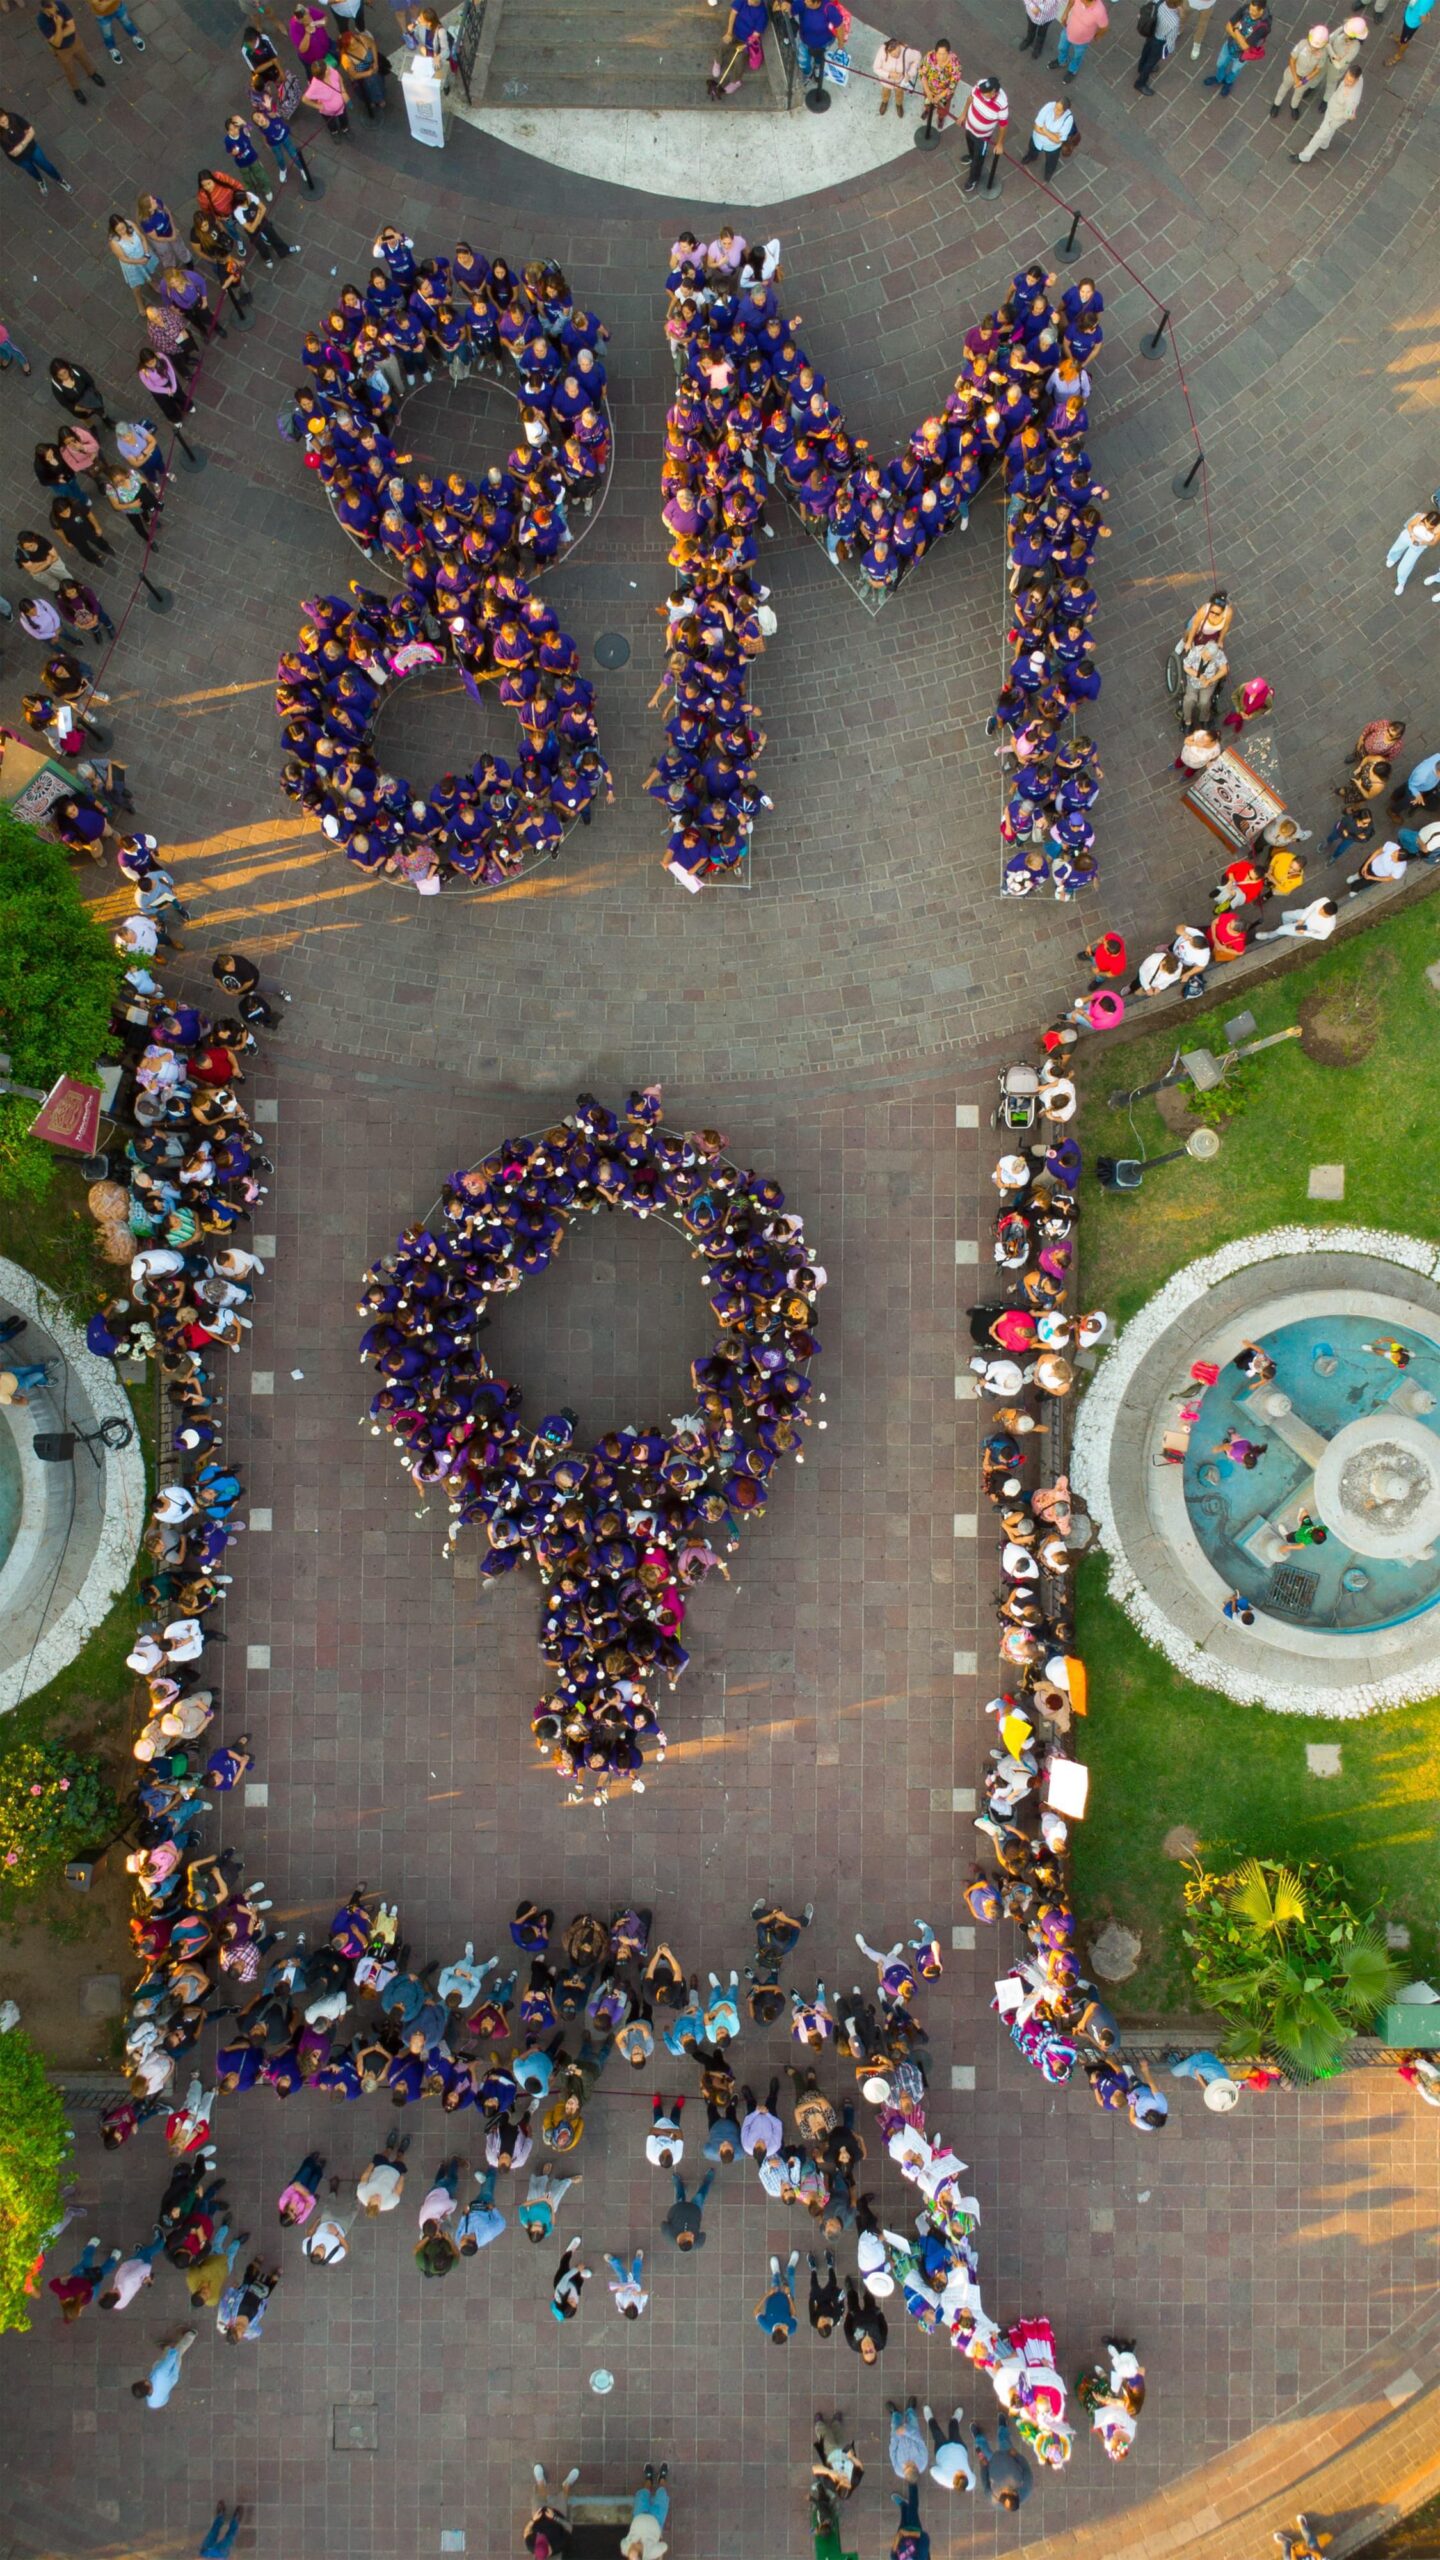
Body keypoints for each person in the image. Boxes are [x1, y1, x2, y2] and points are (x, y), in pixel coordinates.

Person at [37, 0, 107, 98]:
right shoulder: (41, 20)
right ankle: (75, 89)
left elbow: (72, 28)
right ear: (46, 9)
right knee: (69, 70)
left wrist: (59, 35)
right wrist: (58, 25)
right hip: (62, 50)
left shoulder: (60, 4)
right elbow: (57, 43)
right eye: (53, 8)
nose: (57, 8)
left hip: (75, 41)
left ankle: (92, 73)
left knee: (85, 59)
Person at [1, 108, 71, 192]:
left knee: (46, 166)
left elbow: (31, 131)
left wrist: (21, 145)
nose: (4, 122)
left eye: (4, 118)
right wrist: (26, 138)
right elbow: (14, 153)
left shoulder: (13, 117)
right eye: (1, 122)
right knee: (31, 171)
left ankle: (59, 180)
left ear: (5, 114)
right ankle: (40, 181)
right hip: (20, 159)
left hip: (32, 149)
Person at [1204, 0, 1272, 86]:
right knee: (1220, 64)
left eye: (1254, 11)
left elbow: (1245, 47)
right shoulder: (1246, 8)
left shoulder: (1264, 26)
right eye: (1250, 9)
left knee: (1234, 71)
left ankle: (1228, 82)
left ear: (1261, 10)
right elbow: (1228, 26)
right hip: (1229, 46)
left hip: (1242, 56)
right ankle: (1219, 78)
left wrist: (1236, 30)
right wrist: (1241, 38)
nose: (1250, 12)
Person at [971, 2415, 1032, 2508]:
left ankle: (978, 2437)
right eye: (1008, 2492)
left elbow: (985, 2483)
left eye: (1003, 2493)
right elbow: (1026, 2468)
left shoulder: (994, 2499)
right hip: (1008, 2456)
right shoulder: (1026, 2488)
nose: (1004, 2490)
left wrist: (983, 2467)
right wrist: (1017, 2455)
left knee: (981, 2447)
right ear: (1016, 2494)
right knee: (1004, 2440)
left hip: (990, 2462)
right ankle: (1003, 2426)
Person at [132, 2327, 197, 2406]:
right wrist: (172, 2351)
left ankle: (166, 2347)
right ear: (145, 2383)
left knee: (161, 2360)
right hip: (172, 2367)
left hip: (171, 2379)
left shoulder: (152, 2404)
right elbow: (171, 2357)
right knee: (179, 2349)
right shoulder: (159, 2373)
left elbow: (165, 2399)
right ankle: (191, 2334)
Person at [962, 76, 1007, 188]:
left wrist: (999, 143)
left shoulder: (1001, 104)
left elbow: (1003, 125)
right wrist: (963, 114)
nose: (982, 93)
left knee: (979, 160)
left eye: (986, 92)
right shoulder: (980, 86)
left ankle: (973, 179)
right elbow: (970, 98)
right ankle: (971, 156)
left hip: (983, 137)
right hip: (969, 127)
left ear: (994, 93)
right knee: (970, 145)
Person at [1383, 506, 1440, 594]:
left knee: (1407, 564)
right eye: (1425, 524)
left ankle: (1401, 582)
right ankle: (1392, 558)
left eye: (1430, 528)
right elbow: (1410, 525)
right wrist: (1412, 535)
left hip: (1419, 545)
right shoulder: (1420, 516)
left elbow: (1433, 543)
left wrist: (1423, 543)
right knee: (1397, 547)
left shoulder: (1438, 530)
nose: (1427, 527)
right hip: (1408, 536)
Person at [620, 2465, 669, 2560]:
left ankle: (649, 2479)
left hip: (639, 2514)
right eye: (635, 2547)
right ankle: (662, 2479)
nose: (633, 2544)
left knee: (643, 2493)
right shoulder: (651, 2552)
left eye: (631, 2548)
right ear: (641, 2552)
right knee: (662, 2495)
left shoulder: (626, 2548)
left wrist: (630, 2545)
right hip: (656, 2519)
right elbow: (664, 2546)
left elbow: (623, 2542)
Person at [922, 2408, 974, 2491]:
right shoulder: (971, 2483)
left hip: (942, 2450)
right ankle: (955, 2419)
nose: (962, 2470)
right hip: (959, 2448)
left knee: (936, 2432)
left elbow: (933, 2470)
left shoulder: (944, 2478)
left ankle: (930, 2419)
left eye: (959, 2473)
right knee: (954, 2430)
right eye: (964, 2474)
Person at [1055, 0, 1109, 78]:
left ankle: (1072, 69)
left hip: (1082, 41)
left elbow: (1104, 27)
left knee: (1077, 56)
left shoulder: (1099, 11)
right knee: (1061, 47)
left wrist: (1097, 36)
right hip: (1068, 30)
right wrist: (1065, 13)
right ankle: (1062, 61)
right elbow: (1071, 1)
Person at [1021, 92, 1074, 167]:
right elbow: (1036, 127)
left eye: (1059, 110)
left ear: (1065, 111)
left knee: (1051, 161)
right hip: (1037, 139)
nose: (1055, 111)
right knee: (1032, 150)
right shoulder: (1049, 106)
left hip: (1051, 147)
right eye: (1055, 107)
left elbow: (1057, 140)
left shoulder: (1068, 119)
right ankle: (1031, 157)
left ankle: (1049, 172)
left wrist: (1045, 130)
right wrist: (1053, 135)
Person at [1134, 0, 1180, 85]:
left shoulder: (1158, 1)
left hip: (1150, 32)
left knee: (1145, 51)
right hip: (1159, 42)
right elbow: (1170, 40)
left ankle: (1140, 67)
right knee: (1151, 62)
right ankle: (1140, 83)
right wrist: (1169, 50)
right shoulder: (1175, 21)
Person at [872, 34, 919, 105]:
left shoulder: (907, 52)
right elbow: (875, 68)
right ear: (888, 50)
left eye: (899, 52)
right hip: (886, 82)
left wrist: (910, 73)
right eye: (894, 55)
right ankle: (884, 102)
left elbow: (918, 57)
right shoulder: (882, 50)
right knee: (885, 93)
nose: (897, 55)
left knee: (899, 95)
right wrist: (889, 74)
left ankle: (899, 105)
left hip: (900, 83)